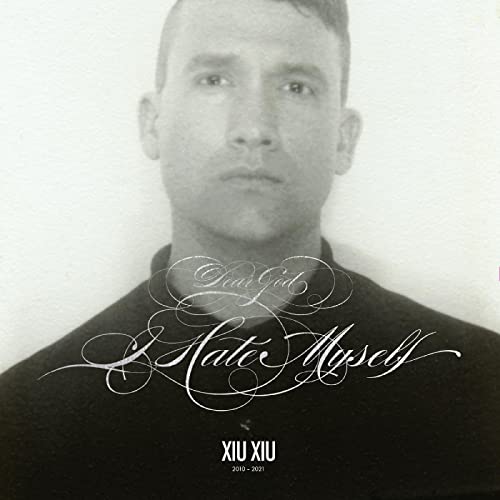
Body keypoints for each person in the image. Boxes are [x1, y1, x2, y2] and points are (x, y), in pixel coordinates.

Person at [1, 1, 499, 498]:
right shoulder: (20, 428)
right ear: (153, 124)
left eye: (296, 86)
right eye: (214, 80)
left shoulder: (483, 394)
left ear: (343, 139)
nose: (255, 128)